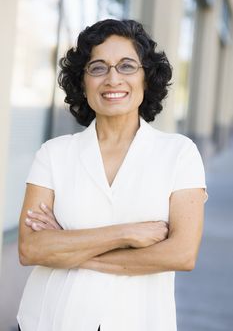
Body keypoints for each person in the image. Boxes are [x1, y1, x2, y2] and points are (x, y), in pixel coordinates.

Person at [17, 19, 207, 331]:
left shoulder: (179, 153)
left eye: (127, 66)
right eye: (98, 67)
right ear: (83, 81)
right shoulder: (53, 153)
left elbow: (182, 253)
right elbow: (31, 249)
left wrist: (67, 248)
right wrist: (126, 234)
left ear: (147, 79)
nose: (113, 78)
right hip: (53, 319)